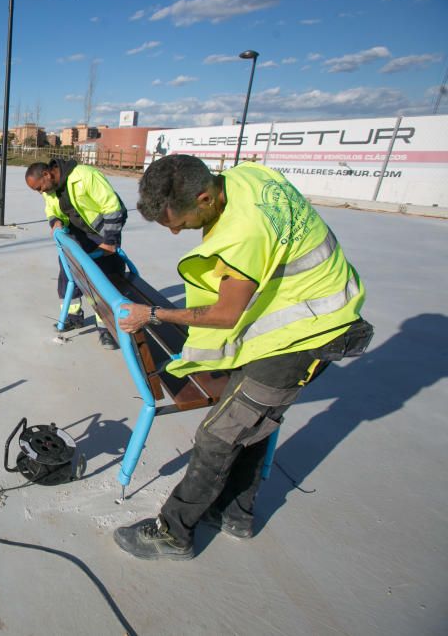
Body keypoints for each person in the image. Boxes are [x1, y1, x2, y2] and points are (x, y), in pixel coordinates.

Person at [113, 154, 372, 561]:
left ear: (205, 197)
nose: (178, 232)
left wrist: (154, 314)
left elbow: (227, 313)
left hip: (309, 332)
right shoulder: (248, 176)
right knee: (251, 423)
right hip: (300, 315)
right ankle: (236, 513)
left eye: (179, 222)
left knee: (217, 435)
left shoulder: (244, 233)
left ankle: (173, 534)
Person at [25, 159, 128, 348]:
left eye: (40, 188)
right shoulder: (51, 188)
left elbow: (112, 207)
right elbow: (51, 209)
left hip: (103, 230)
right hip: (78, 229)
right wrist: (55, 221)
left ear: (47, 174)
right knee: (67, 269)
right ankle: (74, 316)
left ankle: (107, 329)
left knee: (100, 278)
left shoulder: (84, 175)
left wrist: (110, 242)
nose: (41, 192)